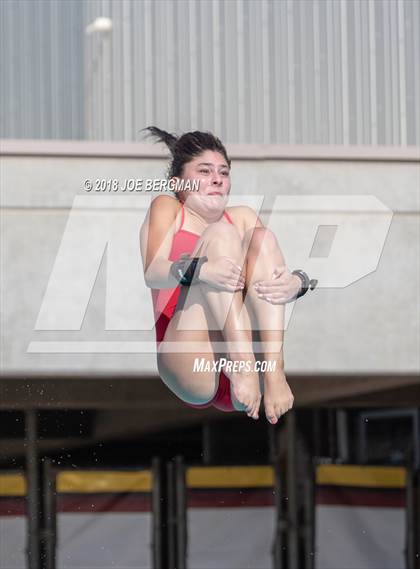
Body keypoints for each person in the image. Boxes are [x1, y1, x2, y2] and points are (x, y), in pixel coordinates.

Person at [139, 127, 316, 424]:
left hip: (248, 375)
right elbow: (153, 273)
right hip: (192, 360)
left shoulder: (243, 215)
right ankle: (242, 360)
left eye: (223, 172)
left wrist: (296, 283)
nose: (217, 178)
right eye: (205, 171)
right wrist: (201, 269)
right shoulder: (167, 208)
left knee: (262, 238)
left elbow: (272, 271)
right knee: (220, 234)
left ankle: (274, 369)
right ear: (178, 182)